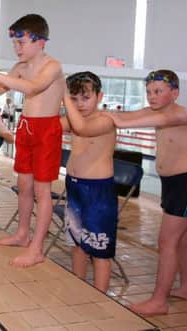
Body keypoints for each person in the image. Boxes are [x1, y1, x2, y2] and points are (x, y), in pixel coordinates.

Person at [0, 13, 65, 267]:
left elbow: (32, 88)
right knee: (24, 187)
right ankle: (22, 234)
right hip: (27, 128)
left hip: (46, 130)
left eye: (21, 43)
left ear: (40, 41)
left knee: (42, 191)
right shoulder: (20, 68)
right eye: (14, 44)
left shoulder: (52, 66)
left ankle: (37, 248)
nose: (16, 48)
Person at [107, 69, 187, 316]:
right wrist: (103, 113)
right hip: (173, 185)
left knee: (167, 242)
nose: (151, 96)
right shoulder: (157, 111)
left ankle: (159, 301)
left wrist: (117, 120)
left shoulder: (181, 114)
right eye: (149, 91)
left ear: (175, 93)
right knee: (180, 241)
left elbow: (132, 120)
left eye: (158, 91)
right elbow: (128, 114)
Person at [61, 72, 117, 293]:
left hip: (98, 193)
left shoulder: (105, 120)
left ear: (99, 96)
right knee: (77, 245)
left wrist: (64, 98)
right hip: (74, 187)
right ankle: (79, 291)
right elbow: (49, 125)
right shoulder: (74, 119)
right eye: (74, 98)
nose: (79, 104)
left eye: (85, 98)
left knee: (99, 252)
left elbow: (81, 128)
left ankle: (100, 299)